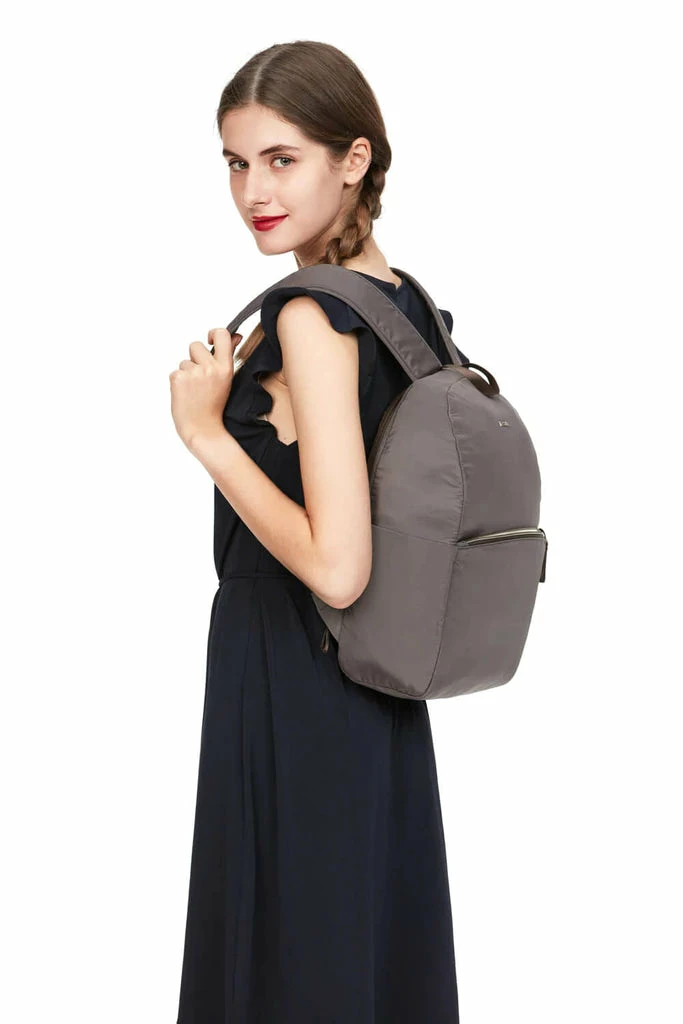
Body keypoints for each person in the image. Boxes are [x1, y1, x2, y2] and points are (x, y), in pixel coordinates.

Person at [169, 39, 468, 1024]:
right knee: (359, 956)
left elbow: (338, 567)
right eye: (235, 161)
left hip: (294, 675)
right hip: (377, 693)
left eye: (281, 159)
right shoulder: (408, 307)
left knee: (290, 964)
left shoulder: (309, 316)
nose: (253, 190)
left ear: (353, 159)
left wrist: (209, 436)